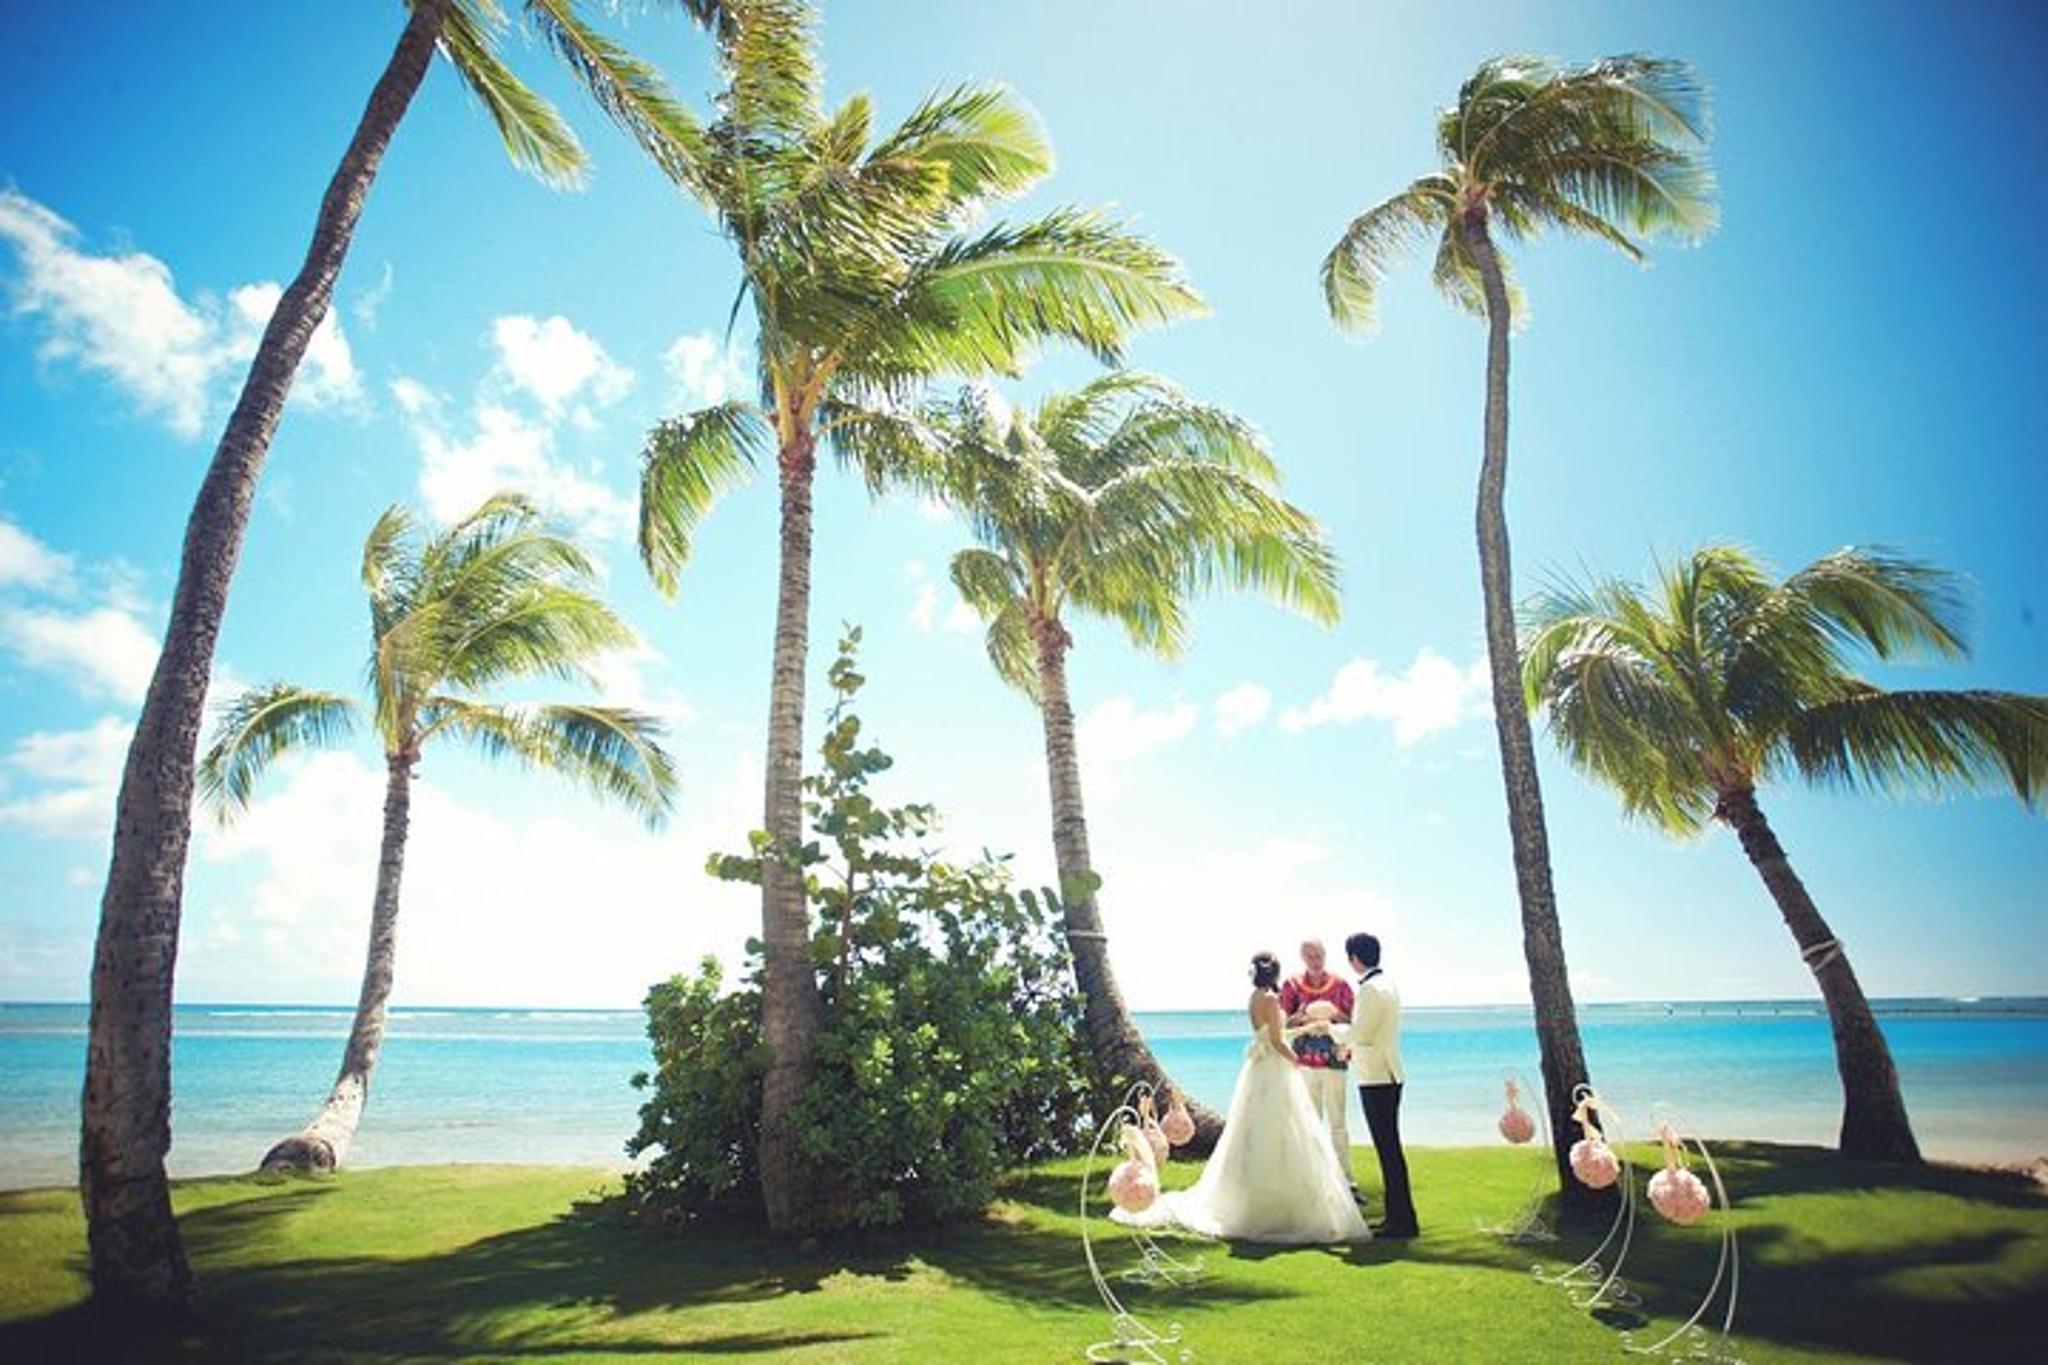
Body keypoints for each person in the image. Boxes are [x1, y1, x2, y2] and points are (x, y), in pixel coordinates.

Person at [1112, 952, 1370, 1244]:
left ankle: (1262, 1192)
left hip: (1259, 1067)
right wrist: (1296, 1059)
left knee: (1260, 1128)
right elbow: (1275, 1040)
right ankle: (1277, 1201)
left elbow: (1271, 1033)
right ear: (1275, 974)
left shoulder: (1255, 998)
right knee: (1283, 1128)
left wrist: (1307, 1028)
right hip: (1274, 1067)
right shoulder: (1272, 999)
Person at [1343, 930, 1417, 1239]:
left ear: (1354, 958)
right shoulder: (1387, 984)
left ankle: (1401, 1221)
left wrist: (1332, 1032)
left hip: (1376, 1075)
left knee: (1387, 1149)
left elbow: (1361, 1032)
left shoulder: (1371, 989)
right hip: (1387, 1072)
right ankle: (1399, 1217)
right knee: (1390, 1148)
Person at [1280, 939, 1357, 1190]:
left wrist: (1334, 1015)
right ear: (1303, 957)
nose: (1316, 960)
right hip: (1304, 1061)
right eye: (1310, 956)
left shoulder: (1342, 985)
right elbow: (1283, 1025)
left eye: (1319, 955)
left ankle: (1346, 1178)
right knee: (1310, 1121)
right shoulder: (1291, 985)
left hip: (1334, 1059)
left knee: (1338, 1122)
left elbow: (1354, 1022)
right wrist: (1302, 1017)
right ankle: (1314, 1180)